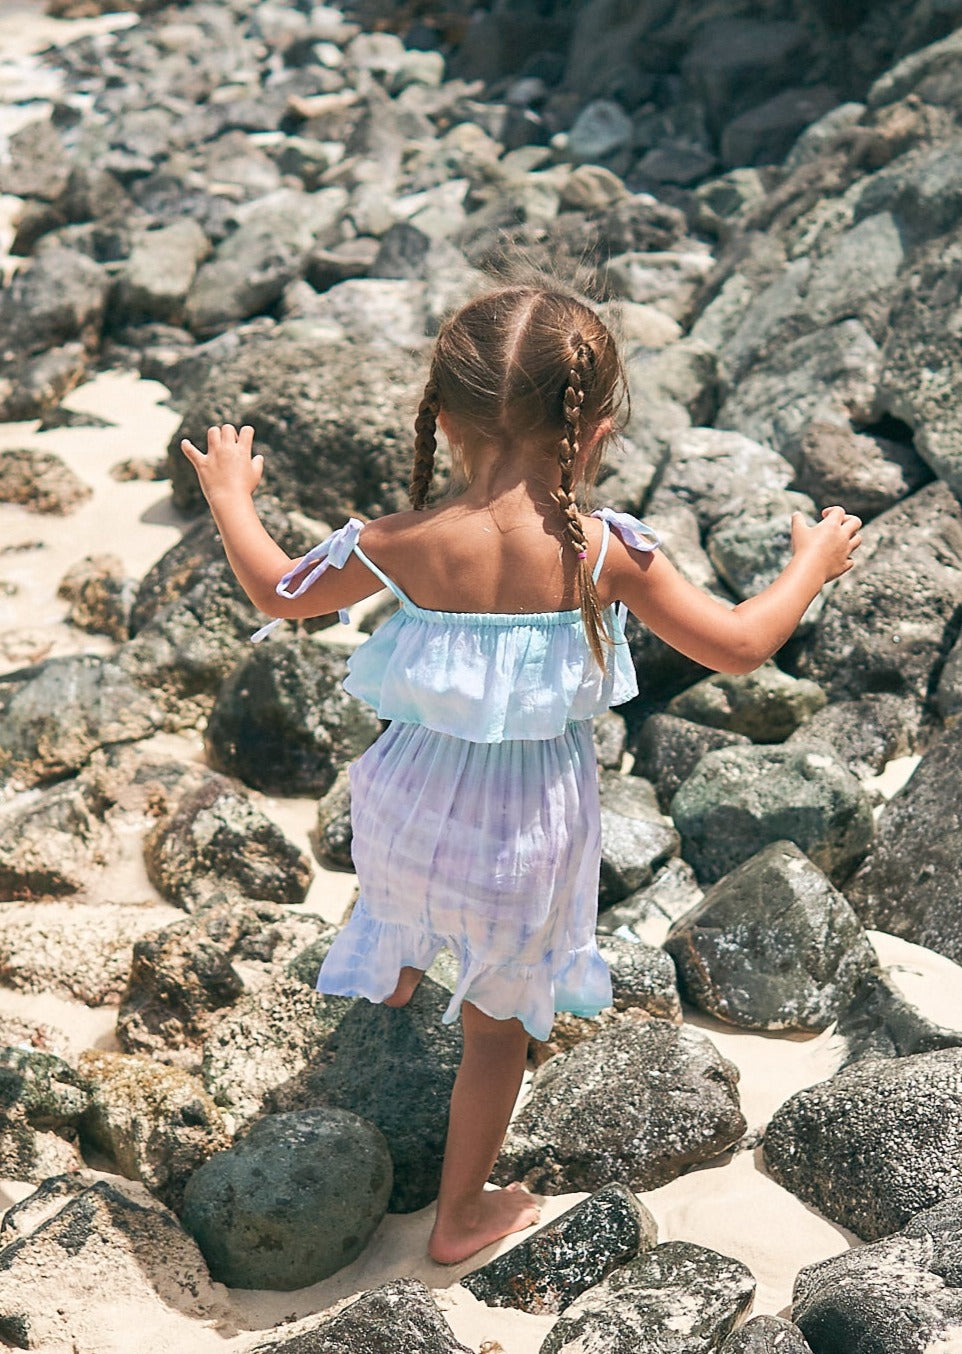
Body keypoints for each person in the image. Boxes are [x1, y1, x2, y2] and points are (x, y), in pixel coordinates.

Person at [181, 284, 861, 1266]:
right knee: (497, 1035)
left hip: (404, 810)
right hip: (525, 832)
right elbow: (741, 644)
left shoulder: (400, 542)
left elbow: (275, 589)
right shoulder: (600, 551)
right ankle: (458, 1215)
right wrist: (811, 563)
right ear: (595, 430)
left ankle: (400, 960)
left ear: (442, 418)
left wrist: (230, 498)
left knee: (399, 897)